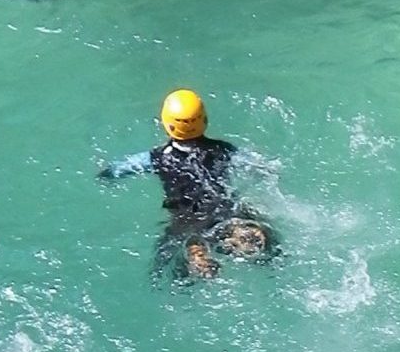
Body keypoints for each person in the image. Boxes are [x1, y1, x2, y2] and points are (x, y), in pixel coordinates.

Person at [98, 89, 276, 281]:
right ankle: (242, 235)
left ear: (167, 123)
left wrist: (105, 174)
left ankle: (197, 254)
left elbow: (118, 170)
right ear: (204, 119)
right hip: (224, 210)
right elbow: (262, 166)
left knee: (164, 266)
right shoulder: (224, 150)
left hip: (187, 220)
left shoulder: (156, 158)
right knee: (248, 221)